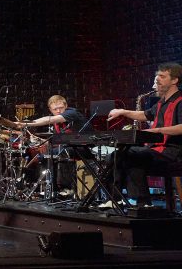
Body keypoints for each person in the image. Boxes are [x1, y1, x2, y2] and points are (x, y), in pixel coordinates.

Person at [107, 62, 182, 207]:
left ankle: (142, 202)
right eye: (157, 76)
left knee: (132, 154)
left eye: (162, 76)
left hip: (172, 151)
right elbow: (145, 115)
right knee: (116, 155)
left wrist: (157, 130)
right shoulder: (161, 102)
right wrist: (123, 112)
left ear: (174, 80)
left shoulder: (180, 100)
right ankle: (116, 199)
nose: (157, 79)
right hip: (156, 150)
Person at [15, 95, 91, 197]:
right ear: (51, 110)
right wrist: (40, 140)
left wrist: (25, 124)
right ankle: (53, 189)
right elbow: (57, 141)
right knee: (45, 154)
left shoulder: (72, 113)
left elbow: (48, 119)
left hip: (87, 147)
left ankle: (58, 189)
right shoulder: (57, 124)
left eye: (61, 108)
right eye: (55, 109)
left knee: (50, 154)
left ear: (66, 106)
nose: (59, 111)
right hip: (71, 147)